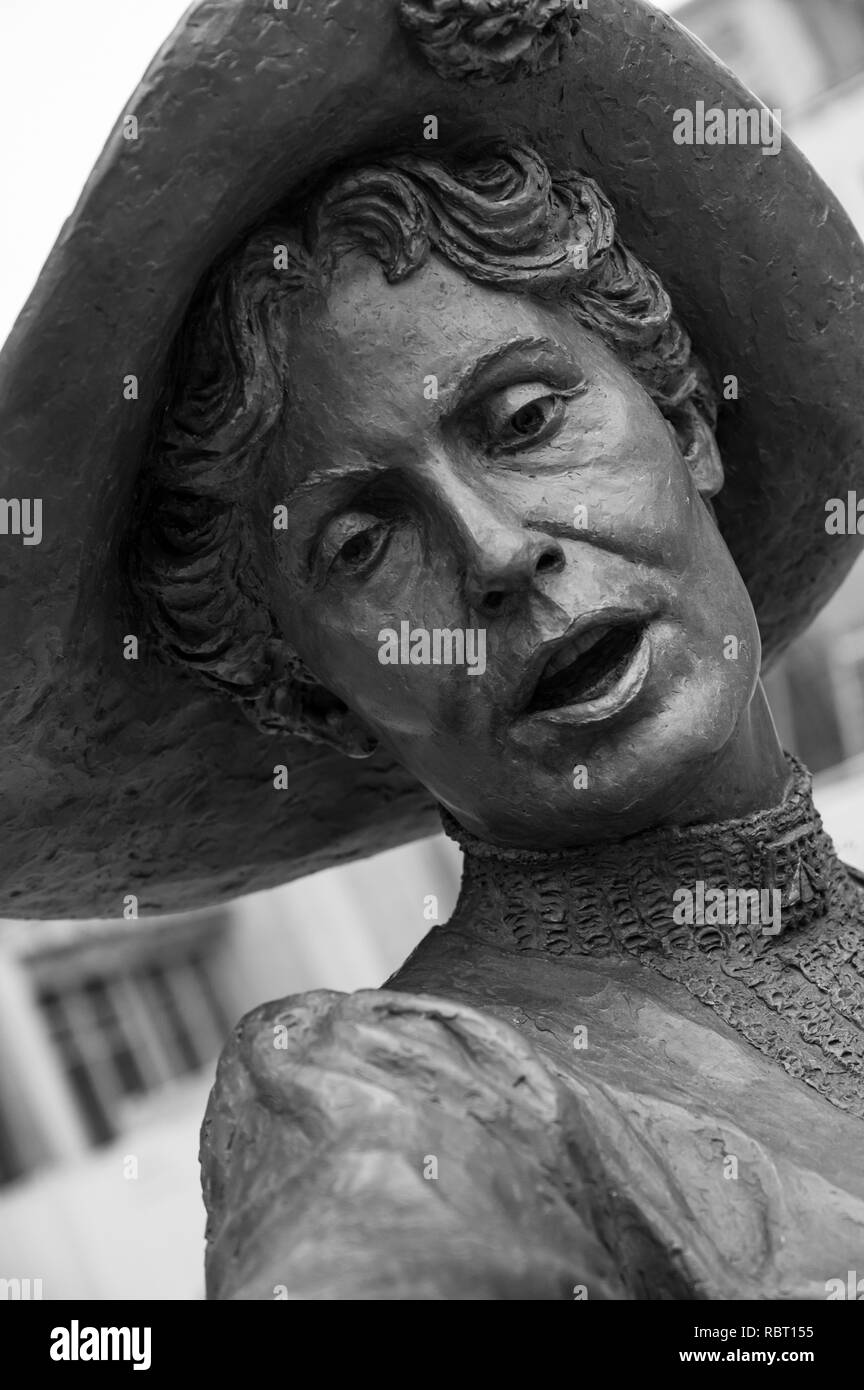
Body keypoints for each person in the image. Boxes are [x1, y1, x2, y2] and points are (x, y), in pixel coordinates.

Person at [3, 0, 864, 1299]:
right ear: (320, 700)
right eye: (360, 544)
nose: (497, 553)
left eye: (522, 418)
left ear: (683, 419)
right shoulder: (395, 1094)